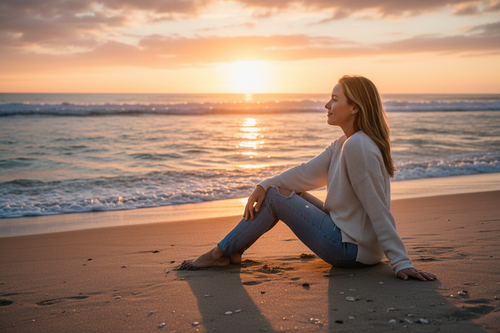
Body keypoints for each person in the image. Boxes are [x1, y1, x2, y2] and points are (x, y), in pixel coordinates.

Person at [189, 75, 436, 281]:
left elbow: (377, 207)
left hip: (351, 249)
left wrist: (400, 261)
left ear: (354, 107)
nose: (326, 105)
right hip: (356, 242)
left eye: (334, 99)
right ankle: (231, 252)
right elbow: (305, 173)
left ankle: (220, 253)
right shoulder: (344, 143)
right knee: (280, 191)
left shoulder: (357, 146)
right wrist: (263, 185)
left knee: (276, 197)